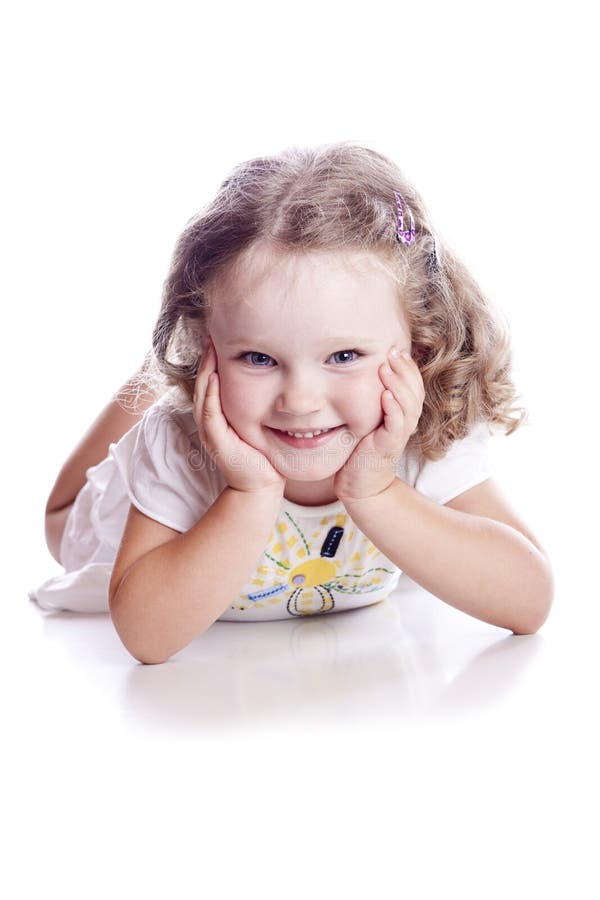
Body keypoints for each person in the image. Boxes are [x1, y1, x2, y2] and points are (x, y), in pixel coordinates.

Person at [34, 142, 554, 664]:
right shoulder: (177, 440)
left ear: (421, 343)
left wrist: (376, 491)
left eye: (344, 355)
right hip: (106, 522)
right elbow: (146, 639)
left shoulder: (426, 430)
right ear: (207, 350)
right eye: (259, 357)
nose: (301, 401)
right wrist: (250, 491)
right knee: (61, 520)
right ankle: (160, 373)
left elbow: (529, 602)